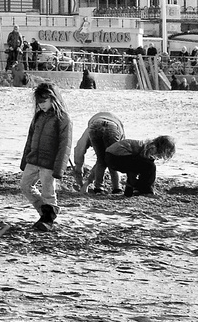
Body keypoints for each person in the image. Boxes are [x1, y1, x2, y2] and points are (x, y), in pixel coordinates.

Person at [18, 82, 72, 231]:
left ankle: (47, 217)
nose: (41, 105)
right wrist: (24, 160)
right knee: (25, 185)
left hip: (49, 162)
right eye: (39, 102)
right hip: (33, 158)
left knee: (48, 192)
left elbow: (65, 145)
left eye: (44, 101)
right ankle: (46, 212)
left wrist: (60, 168)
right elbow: (30, 138)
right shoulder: (38, 116)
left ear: (53, 99)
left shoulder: (63, 118)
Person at [70, 110, 124, 196]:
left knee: (101, 159)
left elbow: (79, 150)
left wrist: (80, 172)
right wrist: (80, 174)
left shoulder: (88, 132)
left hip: (97, 124)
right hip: (114, 126)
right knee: (113, 158)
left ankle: (98, 189)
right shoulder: (119, 129)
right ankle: (117, 189)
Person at [103, 135, 177, 197]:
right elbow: (140, 166)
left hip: (109, 156)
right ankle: (145, 190)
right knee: (150, 166)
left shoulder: (146, 144)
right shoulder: (152, 148)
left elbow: (134, 168)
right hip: (116, 156)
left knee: (139, 166)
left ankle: (133, 189)